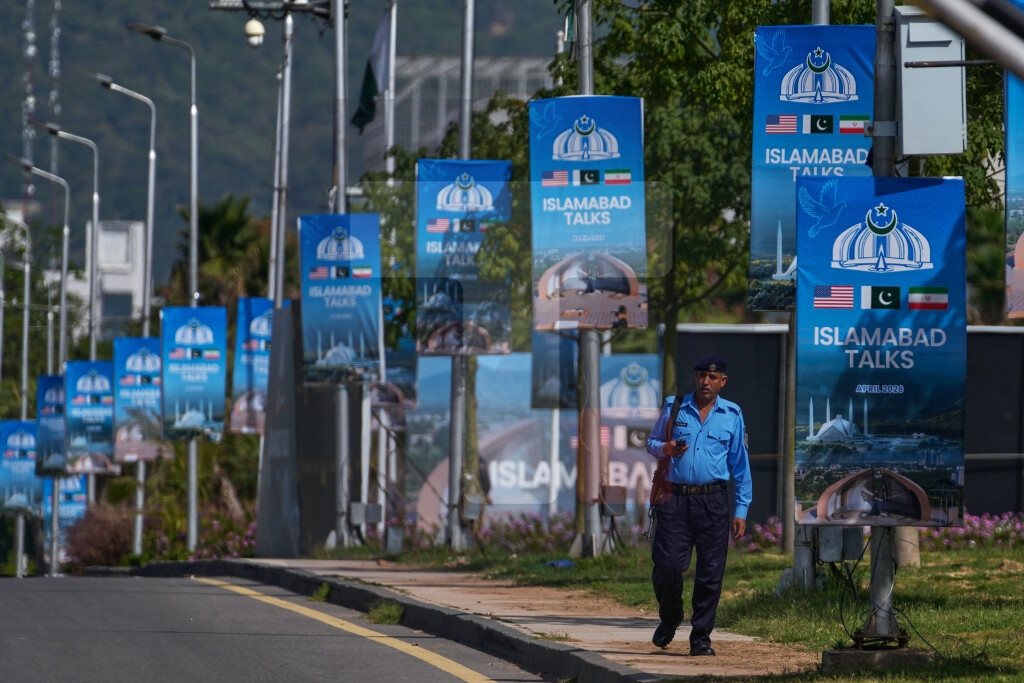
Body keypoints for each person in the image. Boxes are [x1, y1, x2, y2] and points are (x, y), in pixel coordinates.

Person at [645, 355, 752, 655]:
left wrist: (741, 509)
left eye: (712, 377)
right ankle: (670, 617)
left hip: (713, 501)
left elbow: (740, 466)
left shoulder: (732, 414)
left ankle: (701, 637)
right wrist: (666, 448)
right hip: (674, 498)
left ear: (723, 382)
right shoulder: (675, 406)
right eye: (701, 375)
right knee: (666, 566)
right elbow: (652, 443)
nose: (706, 381)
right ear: (695, 377)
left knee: (710, 573)